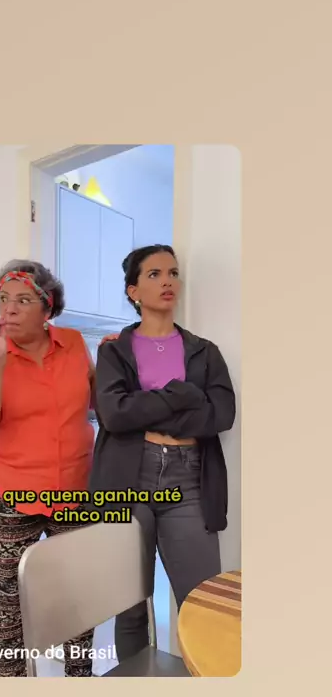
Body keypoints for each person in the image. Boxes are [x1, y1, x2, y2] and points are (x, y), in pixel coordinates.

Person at [89, 244, 236, 663]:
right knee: (130, 604)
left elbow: (221, 414)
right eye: (154, 274)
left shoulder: (204, 351)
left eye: (172, 273)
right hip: (127, 478)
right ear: (133, 290)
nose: (167, 281)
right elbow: (114, 414)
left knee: (203, 601)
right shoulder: (114, 350)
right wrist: (181, 394)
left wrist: (152, 412)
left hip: (189, 481)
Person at [0, 259, 98, 677]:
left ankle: (80, 678)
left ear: (48, 305)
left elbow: (97, 402)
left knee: (78, 592)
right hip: (11, 491)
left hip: (75, 487)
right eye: (3, 299)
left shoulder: (74, 343)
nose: (9, 308)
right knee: (10, 597)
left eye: (23, 300)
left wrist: (119, 360)